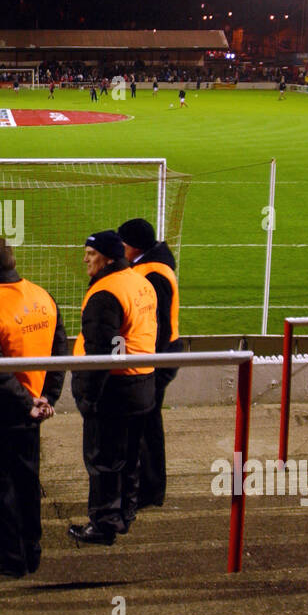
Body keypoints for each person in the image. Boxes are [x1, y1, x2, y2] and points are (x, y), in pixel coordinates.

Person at [0, 238, 67, 578]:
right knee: (25, 482)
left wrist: (28, 403)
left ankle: (10, 557)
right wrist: (46, 396)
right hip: (31, 409)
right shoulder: (42, 296)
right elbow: (59, 351)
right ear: (13, 262)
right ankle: (30, 552)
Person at [68, 230, 156, 545]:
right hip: (142, 383)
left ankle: (104, 524)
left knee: (103, 459)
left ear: (105, 257)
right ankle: (125, 514)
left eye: (89, 254)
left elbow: (100, 353)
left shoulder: (105, 293)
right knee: (130, 457)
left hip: (114, 390)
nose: (85, 259)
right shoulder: (140, 282)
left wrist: (89, 397)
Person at [117, 218, 184, 511]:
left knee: (145, 426)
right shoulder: (153, 266)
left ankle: (149, 490)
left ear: (132, 246)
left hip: (156, 358)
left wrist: (148, 363)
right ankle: (148, 488)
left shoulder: (153, 273)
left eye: (123, 243)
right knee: (146, 424)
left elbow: (162, 326)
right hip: (158, 356)